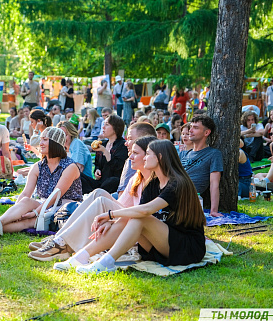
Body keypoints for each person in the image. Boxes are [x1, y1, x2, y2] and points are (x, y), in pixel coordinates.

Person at [54, 139, 206, 274]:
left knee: (140, 218)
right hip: (161, 244)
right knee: (132, 217)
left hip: (187, 247)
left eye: (147, 154)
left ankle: (106, 262)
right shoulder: (153, 183)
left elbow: (146, 211)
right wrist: (113, 223)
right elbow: (136, 212)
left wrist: (110, 215)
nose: (145, 158)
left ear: (159, 157)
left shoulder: (177, 184)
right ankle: (82, 256)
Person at [28, 136, 156, 262]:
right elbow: (122, 204)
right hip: (129, 219)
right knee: (98, 193)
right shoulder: (137, 178)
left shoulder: (155, 182)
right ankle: (59, 238)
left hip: (142, 229)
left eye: (135, 152)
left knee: (102, 200)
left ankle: (61, 243)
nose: (130, 156)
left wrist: (111, 217)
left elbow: (143, 214)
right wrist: (111, 220)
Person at [0, 127, 82, 236]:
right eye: (41, 139)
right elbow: (26, 193)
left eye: (45, 140)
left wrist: (36, 212)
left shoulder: (69, 167)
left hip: (64, 208)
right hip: (45, 205)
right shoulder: (38, 166)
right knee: (25, 202)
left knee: (30, 220)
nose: (40, 143)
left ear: (56, 143)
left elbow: (56, 195)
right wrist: (15, 212)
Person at [179, 116, 223, 217]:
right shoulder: (183, 154)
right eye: (190, 127)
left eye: (195, 127)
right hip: (172, 192)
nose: (190, 130)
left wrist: (214, 211)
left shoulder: (213, 154)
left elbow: (214, 183)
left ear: (206, 133)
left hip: (187, 197)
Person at [81, 114, 128, 194]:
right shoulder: (102, 143)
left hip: (112, 184)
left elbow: (117, 168)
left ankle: (94, 194)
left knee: (113, 181)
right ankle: (92, 194)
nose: (103, 127)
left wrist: (105, 151)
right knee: (78, 175)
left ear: (115, 128)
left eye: (107, 125)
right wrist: (97, 170)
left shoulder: (123, 145)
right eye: (104, 124)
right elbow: (97, 164)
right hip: (100, 183)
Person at [116, 122, 157, 197]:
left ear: (142, 140)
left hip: (128, 204)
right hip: (127, 202)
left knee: (100, 197)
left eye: (130, 139)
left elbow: (121, 196)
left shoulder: (133, 161)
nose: (126, 143)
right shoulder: (135, 178)